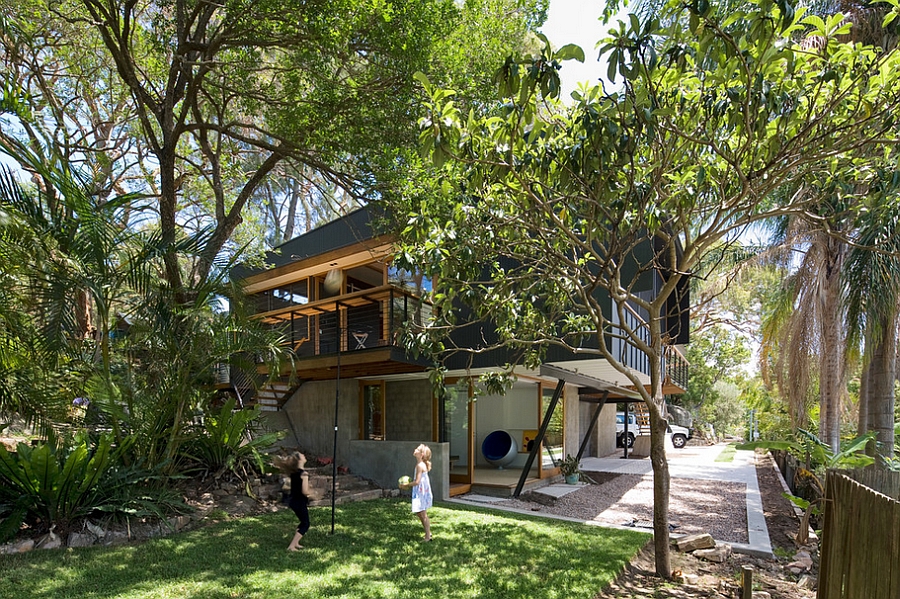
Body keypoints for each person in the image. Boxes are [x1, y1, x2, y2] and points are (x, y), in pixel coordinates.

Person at [274, 451, 311, 551]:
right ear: (299, 460)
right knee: (306, 524)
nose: (304, 455)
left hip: (293, 502)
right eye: (302, 455)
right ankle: (292, 546)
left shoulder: (294, 473)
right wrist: (311, 494)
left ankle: (296, 542)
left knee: (302, 522)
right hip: (300, 502)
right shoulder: (304, 474)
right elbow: (304, 491)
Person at [401, 443, 433, 541]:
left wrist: (405, 485)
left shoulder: (420, 465)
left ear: (421, 454)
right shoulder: (420, 464)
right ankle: (428, 532)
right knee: (419, 513)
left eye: (418, 449)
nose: (415, 449)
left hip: (421, 493)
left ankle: (427, 536)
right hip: (420, 492)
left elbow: (417, 482)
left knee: (423, 515)